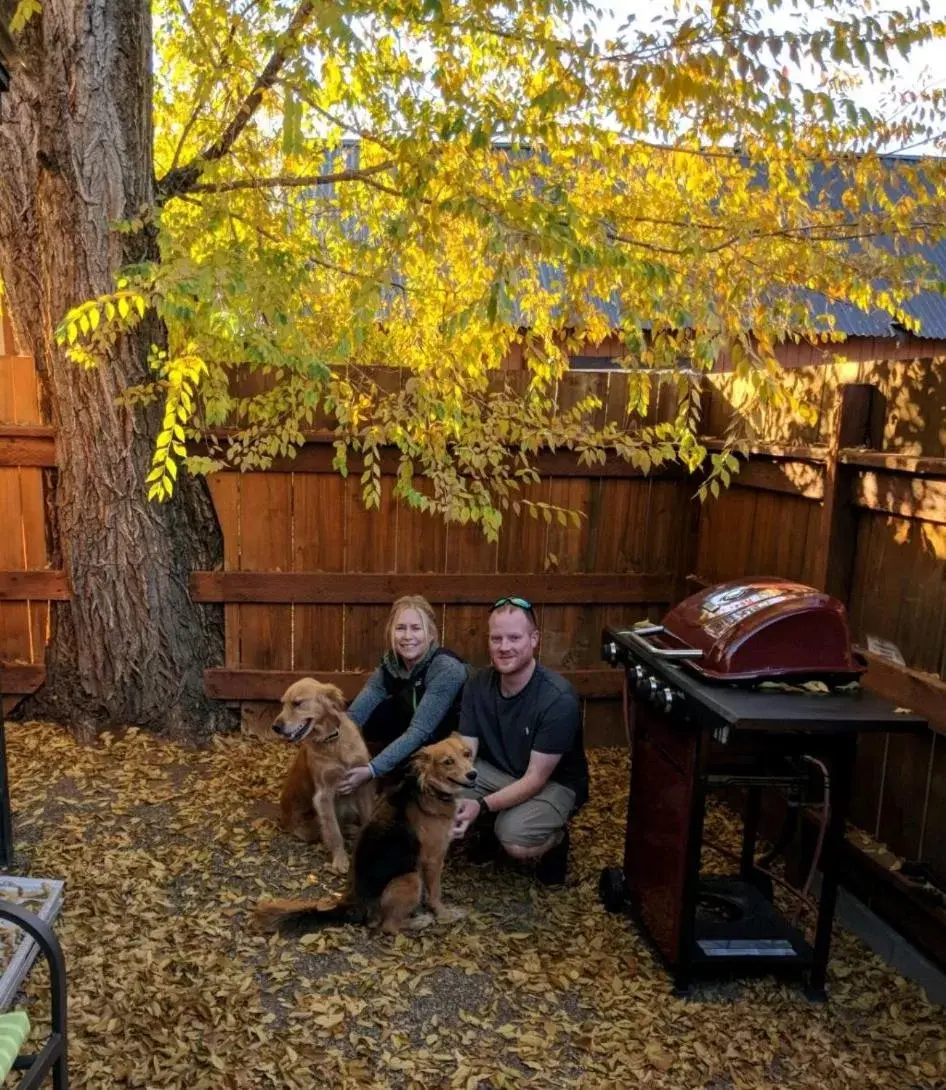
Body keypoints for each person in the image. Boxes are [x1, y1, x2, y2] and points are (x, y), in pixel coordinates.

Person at [451, 596, 589, 886]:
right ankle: (487, 827)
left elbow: (536, 779)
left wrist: (482, 806)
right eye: (496, 638)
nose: (504, 647)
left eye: (514, 637)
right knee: (445, 788)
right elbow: (466, 751)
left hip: (552, 783)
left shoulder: (557, 699)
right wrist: (454, 785)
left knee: (513, 838)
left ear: (534, 639)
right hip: (501, 771)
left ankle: (557, 839)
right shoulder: (477, 685)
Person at [338, 595, 468, 795]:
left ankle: (401, 774)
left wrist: (372, 770)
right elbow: (355, 716)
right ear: (391, 631)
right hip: (419, 734)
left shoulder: (446, 668)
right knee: (375, 716)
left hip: (451, 743)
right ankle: (394, 767)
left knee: (410, 793)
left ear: (431, 633)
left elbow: (419, 731)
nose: (407, 636)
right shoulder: (391, 665)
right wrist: (328, 742)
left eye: (416, 628)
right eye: (400, 628)